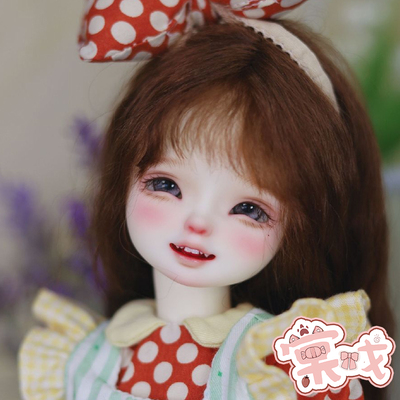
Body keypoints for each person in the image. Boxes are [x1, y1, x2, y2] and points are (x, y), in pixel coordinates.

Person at [19, 2, 395, 400]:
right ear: (122, 178)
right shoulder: (83, 356)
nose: (197, 223)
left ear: (302, 228)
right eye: (166, 185)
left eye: (249, 210)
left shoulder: (276, 364)